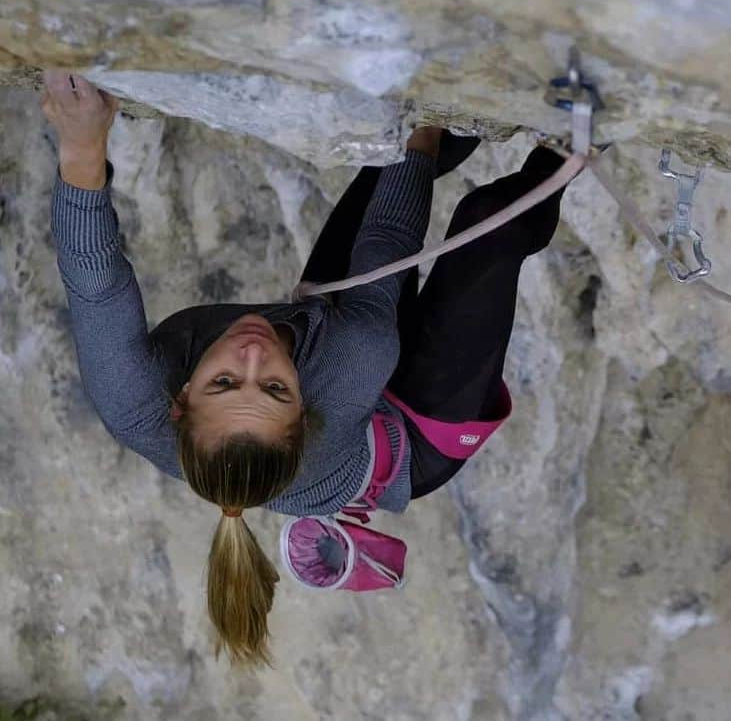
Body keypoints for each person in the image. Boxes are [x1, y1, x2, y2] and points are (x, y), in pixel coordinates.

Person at [41, 70, 566, 670]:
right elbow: (389, 241)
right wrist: (428, 108)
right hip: (411, 435)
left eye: (223, 381)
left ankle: (491, 92)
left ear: (179, 399)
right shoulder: (350, 361)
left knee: (385, 158)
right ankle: (573, 141)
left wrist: (82, 144)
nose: (252, 353)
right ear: (302, 410)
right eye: (273, 387)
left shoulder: (131, 399)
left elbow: (95, 278)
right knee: (487, 221)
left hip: (326, 355)